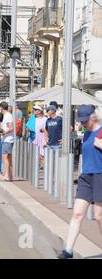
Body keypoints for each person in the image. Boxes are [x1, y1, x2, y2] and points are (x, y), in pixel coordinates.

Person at [58, 105, 102, 259]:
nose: (83, 124)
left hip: (100, 176)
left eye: (85, 121)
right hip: (86, 177)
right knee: (77, 214)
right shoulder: (87, 134)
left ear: (93, 117)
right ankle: (68, 251)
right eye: (81, 122)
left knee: (99, 216)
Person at [0, 101, 14, 182]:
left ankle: (6, 176)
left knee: (5, 157)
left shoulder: (7, 116)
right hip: (7, 139)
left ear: (1, 107)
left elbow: (11, 128)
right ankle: (9, 176)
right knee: (8, 158)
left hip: (7, 139)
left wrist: (4, 132)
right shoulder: (6, 116)